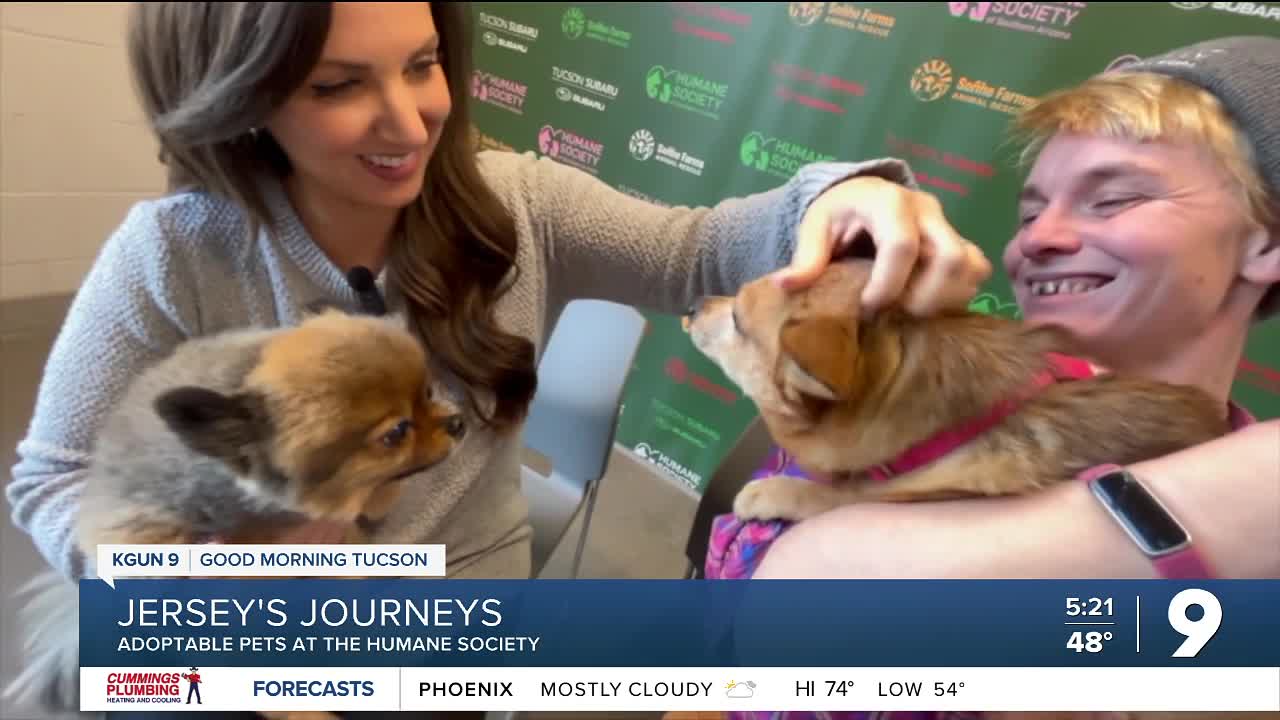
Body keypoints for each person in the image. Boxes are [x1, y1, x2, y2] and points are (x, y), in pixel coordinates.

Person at [5, 1, 984, 586]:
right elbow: (52, 482)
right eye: (337, 86)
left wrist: (841, 201)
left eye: (422, 65)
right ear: (245, 99)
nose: (410, 124)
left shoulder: (521, 204)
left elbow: (699, 249)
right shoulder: (171, 253)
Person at [736, 35, 1280, 582]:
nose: (1038, 238)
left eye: (1113, 200)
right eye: (1029, 215)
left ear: (1268, 245)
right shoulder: (897, 411)